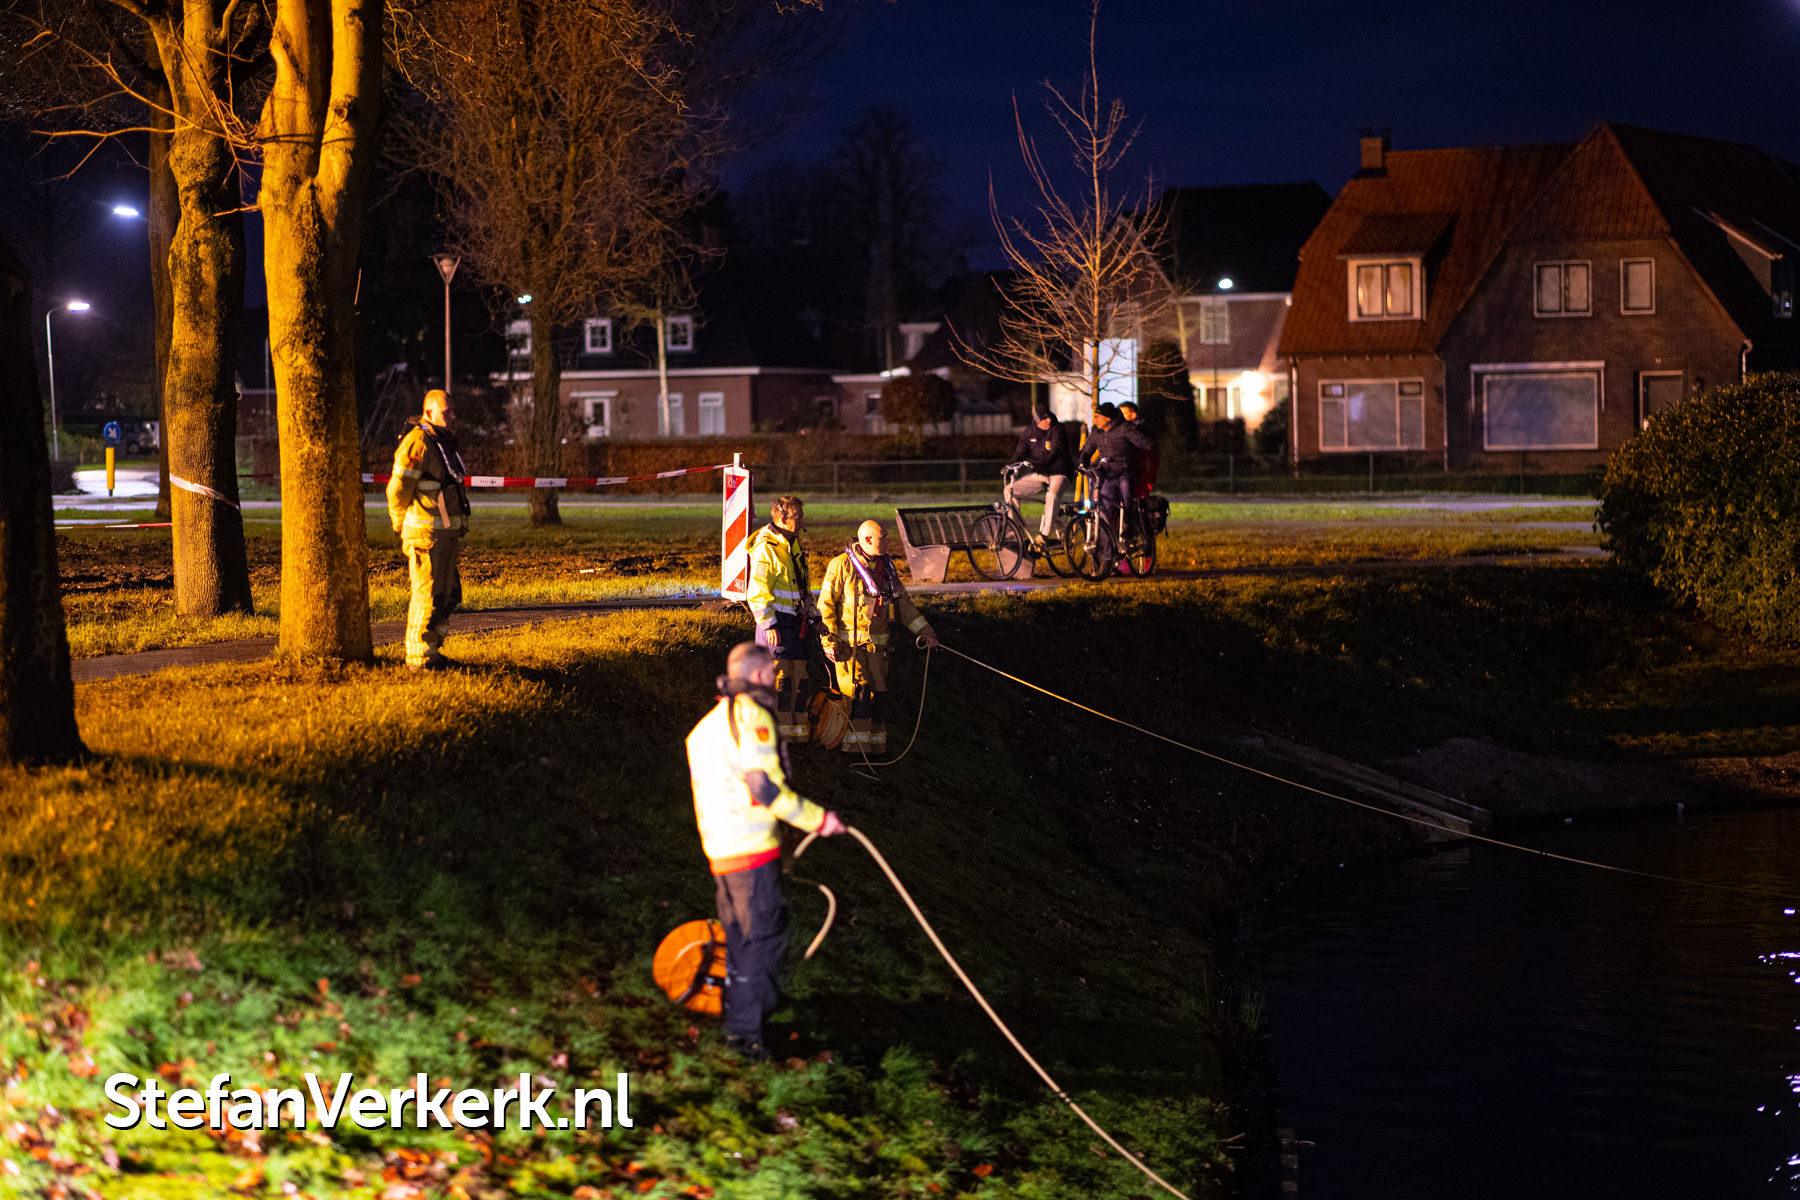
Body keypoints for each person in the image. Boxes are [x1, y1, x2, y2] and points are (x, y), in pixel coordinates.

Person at [686, 642, 847, 1061]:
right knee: (764, 941)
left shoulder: (706, 727)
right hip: (752, 850)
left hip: (720, 850)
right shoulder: (752, 716)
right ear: (759, 675)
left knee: (742, 940)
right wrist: (818, 820)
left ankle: (743, 1020)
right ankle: (745, 1038)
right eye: (772, 675)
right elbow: (763, 786)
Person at [817, 520, 938, 754]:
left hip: (879, 655)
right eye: (883, 538)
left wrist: (926, 632)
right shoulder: (842, 565)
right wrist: (829, 641)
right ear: (868, 540)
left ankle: (877, 755)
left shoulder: (887, 568)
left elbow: (904, 605)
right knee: (859, 700)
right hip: (850, 652)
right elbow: (826, 606)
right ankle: (854, 757)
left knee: (879, 703)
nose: (888, 542)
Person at [387, 389, 471, 670]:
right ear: (429, 412)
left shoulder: (442, 442)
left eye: (453, 411)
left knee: (448, 595)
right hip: (425, 536)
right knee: (428, 594)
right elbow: (398, 489)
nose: (453, 417)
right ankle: (419, 658)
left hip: (445, 535)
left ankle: (432, 652)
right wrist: (400, 523)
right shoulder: (418, 443)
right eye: (447, 412)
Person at [745, 495, 816, 738]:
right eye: (798, 516)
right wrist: (768, 624)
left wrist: (811, 609)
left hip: (796, 623)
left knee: (800, 678)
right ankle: (776, 737)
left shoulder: (791, 544)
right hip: (778, 625)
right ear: (783, 518)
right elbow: (757, 590)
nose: (802, 520)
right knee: (781, 681)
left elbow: (800, 585)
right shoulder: (767, 548)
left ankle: (796, 734)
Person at [1079, 402, 1153, 573]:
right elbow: (1087, 449)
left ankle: (1128, 521)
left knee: (1127, 487)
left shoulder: (1124, 428)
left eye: (1098, 417)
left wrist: (1148, 444)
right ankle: (1107, 556)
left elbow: (1139, 440)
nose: (1095, 420)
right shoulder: (1096, 432)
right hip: (1108, 475)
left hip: (1125, 471)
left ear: (1108, 419)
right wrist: (1082, 462)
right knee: (1102, 508)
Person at [1005, 406, 1073, 549]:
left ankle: (1044, 535)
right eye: (1044, 419)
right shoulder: (1029, 433)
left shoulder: (1058, 429)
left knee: (1052, 495)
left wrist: (1043, 465)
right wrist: (1009, 467)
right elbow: (1020, 453)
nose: (1048, 420)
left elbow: (1055, 451)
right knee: (1009, 490)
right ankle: (1015, 532)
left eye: (1049, 417)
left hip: (1059, 472)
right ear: (1037, 421)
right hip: (1041, 474)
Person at [1117, 401, 1160, 498]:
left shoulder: (1145, 433)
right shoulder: (1118, 432)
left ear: (1133, 415)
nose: (1119, 417)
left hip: (1141, 478)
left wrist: (1150, 479)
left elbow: (1153, 457)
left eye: (1123, 414)